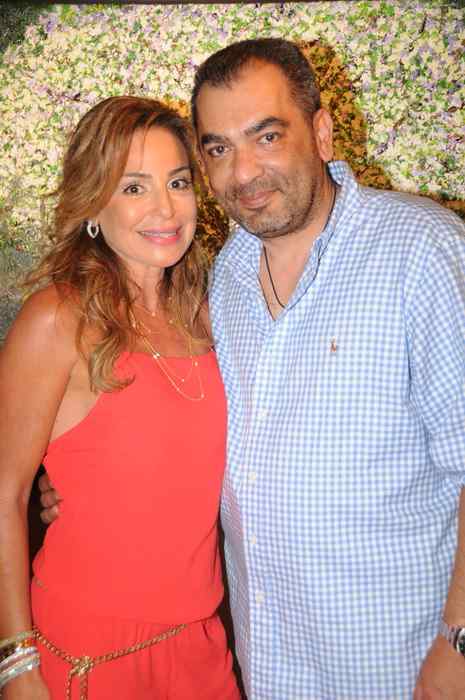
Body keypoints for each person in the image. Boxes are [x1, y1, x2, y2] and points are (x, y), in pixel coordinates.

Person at [41, 38, 465, 699]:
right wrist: (78, 485)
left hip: (396, 664)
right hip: (264, 664)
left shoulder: (422, 251)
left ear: (320, 132)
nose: (243, 171)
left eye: (266, 136)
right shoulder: (219, 284)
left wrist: (459, 644)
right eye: (217, 149)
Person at [0, 96, 241, 699]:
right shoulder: (57, 319)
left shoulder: (210, 316)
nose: (165, 208)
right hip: (84, 652)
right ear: (93, 204)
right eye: (134, 187)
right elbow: (6, 493)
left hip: (201, 646)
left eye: (178, 182)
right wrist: (16, 663)